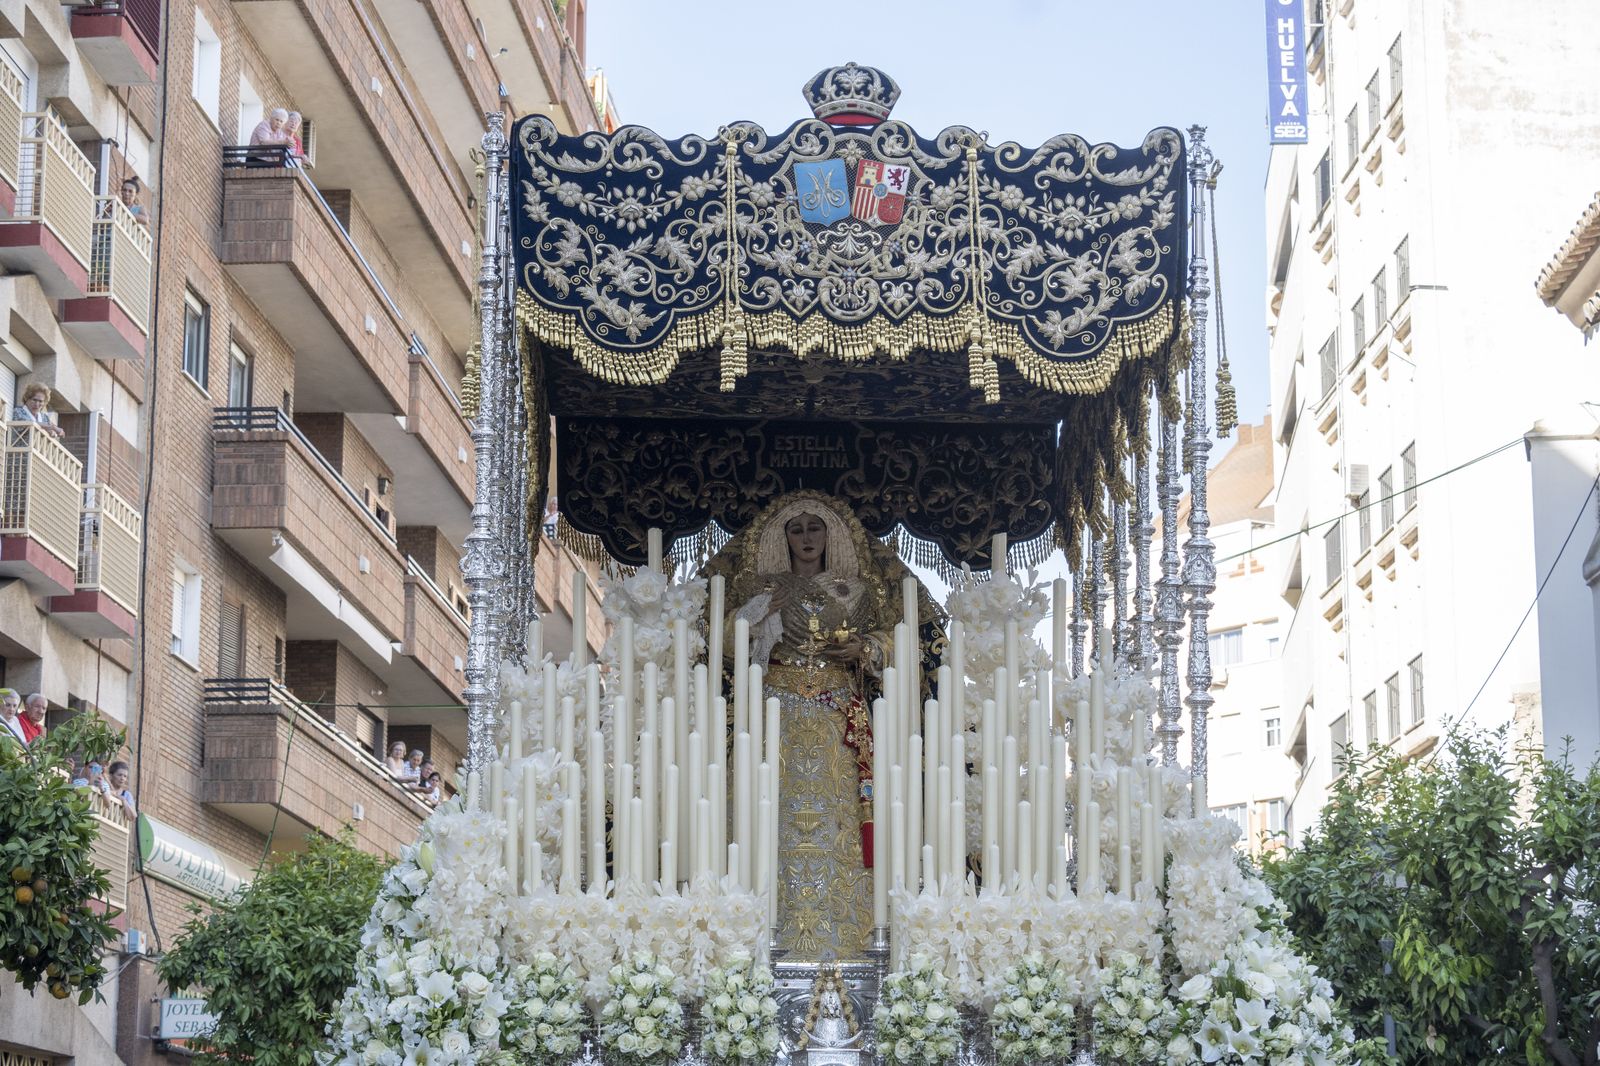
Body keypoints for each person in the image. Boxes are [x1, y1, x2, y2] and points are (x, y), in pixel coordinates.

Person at [719, 490, 929, 960]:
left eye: (816, 527)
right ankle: (765, 934)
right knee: (770, 813)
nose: (807, 537)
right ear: (783, 537)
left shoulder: (855, 591)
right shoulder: (767, 591)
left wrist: (865, 649)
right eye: (797, 528)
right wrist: (756, 619)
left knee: (843, 821)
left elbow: (895, 639)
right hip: (777, 712)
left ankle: (848, 937)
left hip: (838, 716)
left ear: (831, 535)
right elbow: (727, 641)